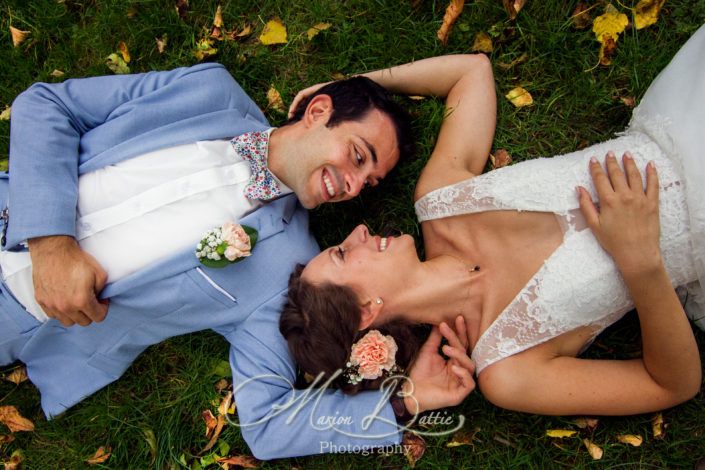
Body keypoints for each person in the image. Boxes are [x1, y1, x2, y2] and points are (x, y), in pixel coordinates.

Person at [0, 64, 475, 458]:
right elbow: (46, 105)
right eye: (357, 156)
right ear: (318, 110)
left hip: (18, 320)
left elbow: (267, 424)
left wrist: (403, 401)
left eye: (366, 182)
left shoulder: (290, 270)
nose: (352, 186)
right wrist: (50, 241)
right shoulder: (207, 90)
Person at [281, 24, 705, 418]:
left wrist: (353, 88)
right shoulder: (508, 371)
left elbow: (471, 72)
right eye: (340, 254)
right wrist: (641, 262)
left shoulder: (440, 198)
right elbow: (670, 384)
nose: (356, 233)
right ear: (366, 313)